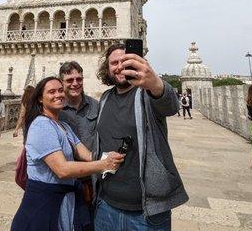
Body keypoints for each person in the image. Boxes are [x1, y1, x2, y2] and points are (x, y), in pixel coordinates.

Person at [94, 43, 188, 231]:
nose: (119, 66)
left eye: (125, 61)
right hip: (106, 206)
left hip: (146, 212)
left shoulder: (147, 94)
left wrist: (155, 83)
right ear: (107, 68)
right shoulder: (105, 99)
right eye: (114, 63)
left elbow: (170, 105)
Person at [11, 76, 124, 231]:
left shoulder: (63, 126)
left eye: (60, 90)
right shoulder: (41, 126)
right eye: (51, 92)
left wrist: (113, 154)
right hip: (44, 204)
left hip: (64, 200)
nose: (58, 95)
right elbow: (62, 170)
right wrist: (104, 164)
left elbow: (87, 155)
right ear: (40, 99)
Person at [59, 61, 99, 151]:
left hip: (93, 163)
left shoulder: (95, 105)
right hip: (68, 163)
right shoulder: (56, 109)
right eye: (70, 80)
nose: (75, 83)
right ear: (61, 83)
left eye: (79, 79)